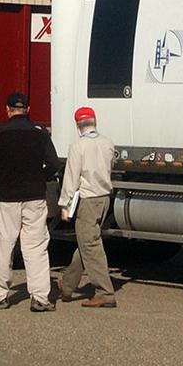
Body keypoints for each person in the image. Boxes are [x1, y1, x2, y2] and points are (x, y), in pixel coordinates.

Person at [0, 91, 61, 312]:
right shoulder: (40, 133)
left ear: (7, 110)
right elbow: (53, 164)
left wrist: (1, 182)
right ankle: (41, 298)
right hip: (35, 196)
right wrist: (39, 178)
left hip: (7, 197)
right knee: (36, 246)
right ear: (28, 110)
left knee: (4, 245)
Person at [56, 106, 119, 308]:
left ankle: (104, 291)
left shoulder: (78, 146)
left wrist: (65, 204)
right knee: (87, 241)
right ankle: (67, 284)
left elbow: (72, 177)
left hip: (88, 199)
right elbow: (112, 165)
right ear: (95, 122)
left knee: (90, 245)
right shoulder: (107, 143)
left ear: (77, 126)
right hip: (104, 198)